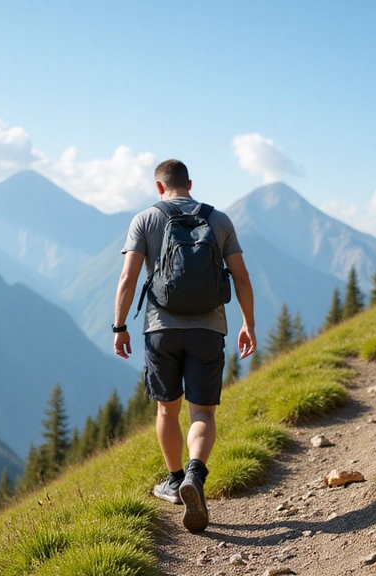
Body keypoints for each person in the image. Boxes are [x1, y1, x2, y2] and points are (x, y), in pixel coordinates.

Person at [112, 158, 256, 533]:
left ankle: (175, 480)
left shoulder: (145, 219)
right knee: (203, 414)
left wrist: (120, 326)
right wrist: (248, 325)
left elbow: (128, 277)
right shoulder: (219, 220)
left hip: (161, 329)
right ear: (189, 183)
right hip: (209, 329)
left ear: (159, 187)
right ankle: (196, 473)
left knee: (166, 411)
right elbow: (241, 277)